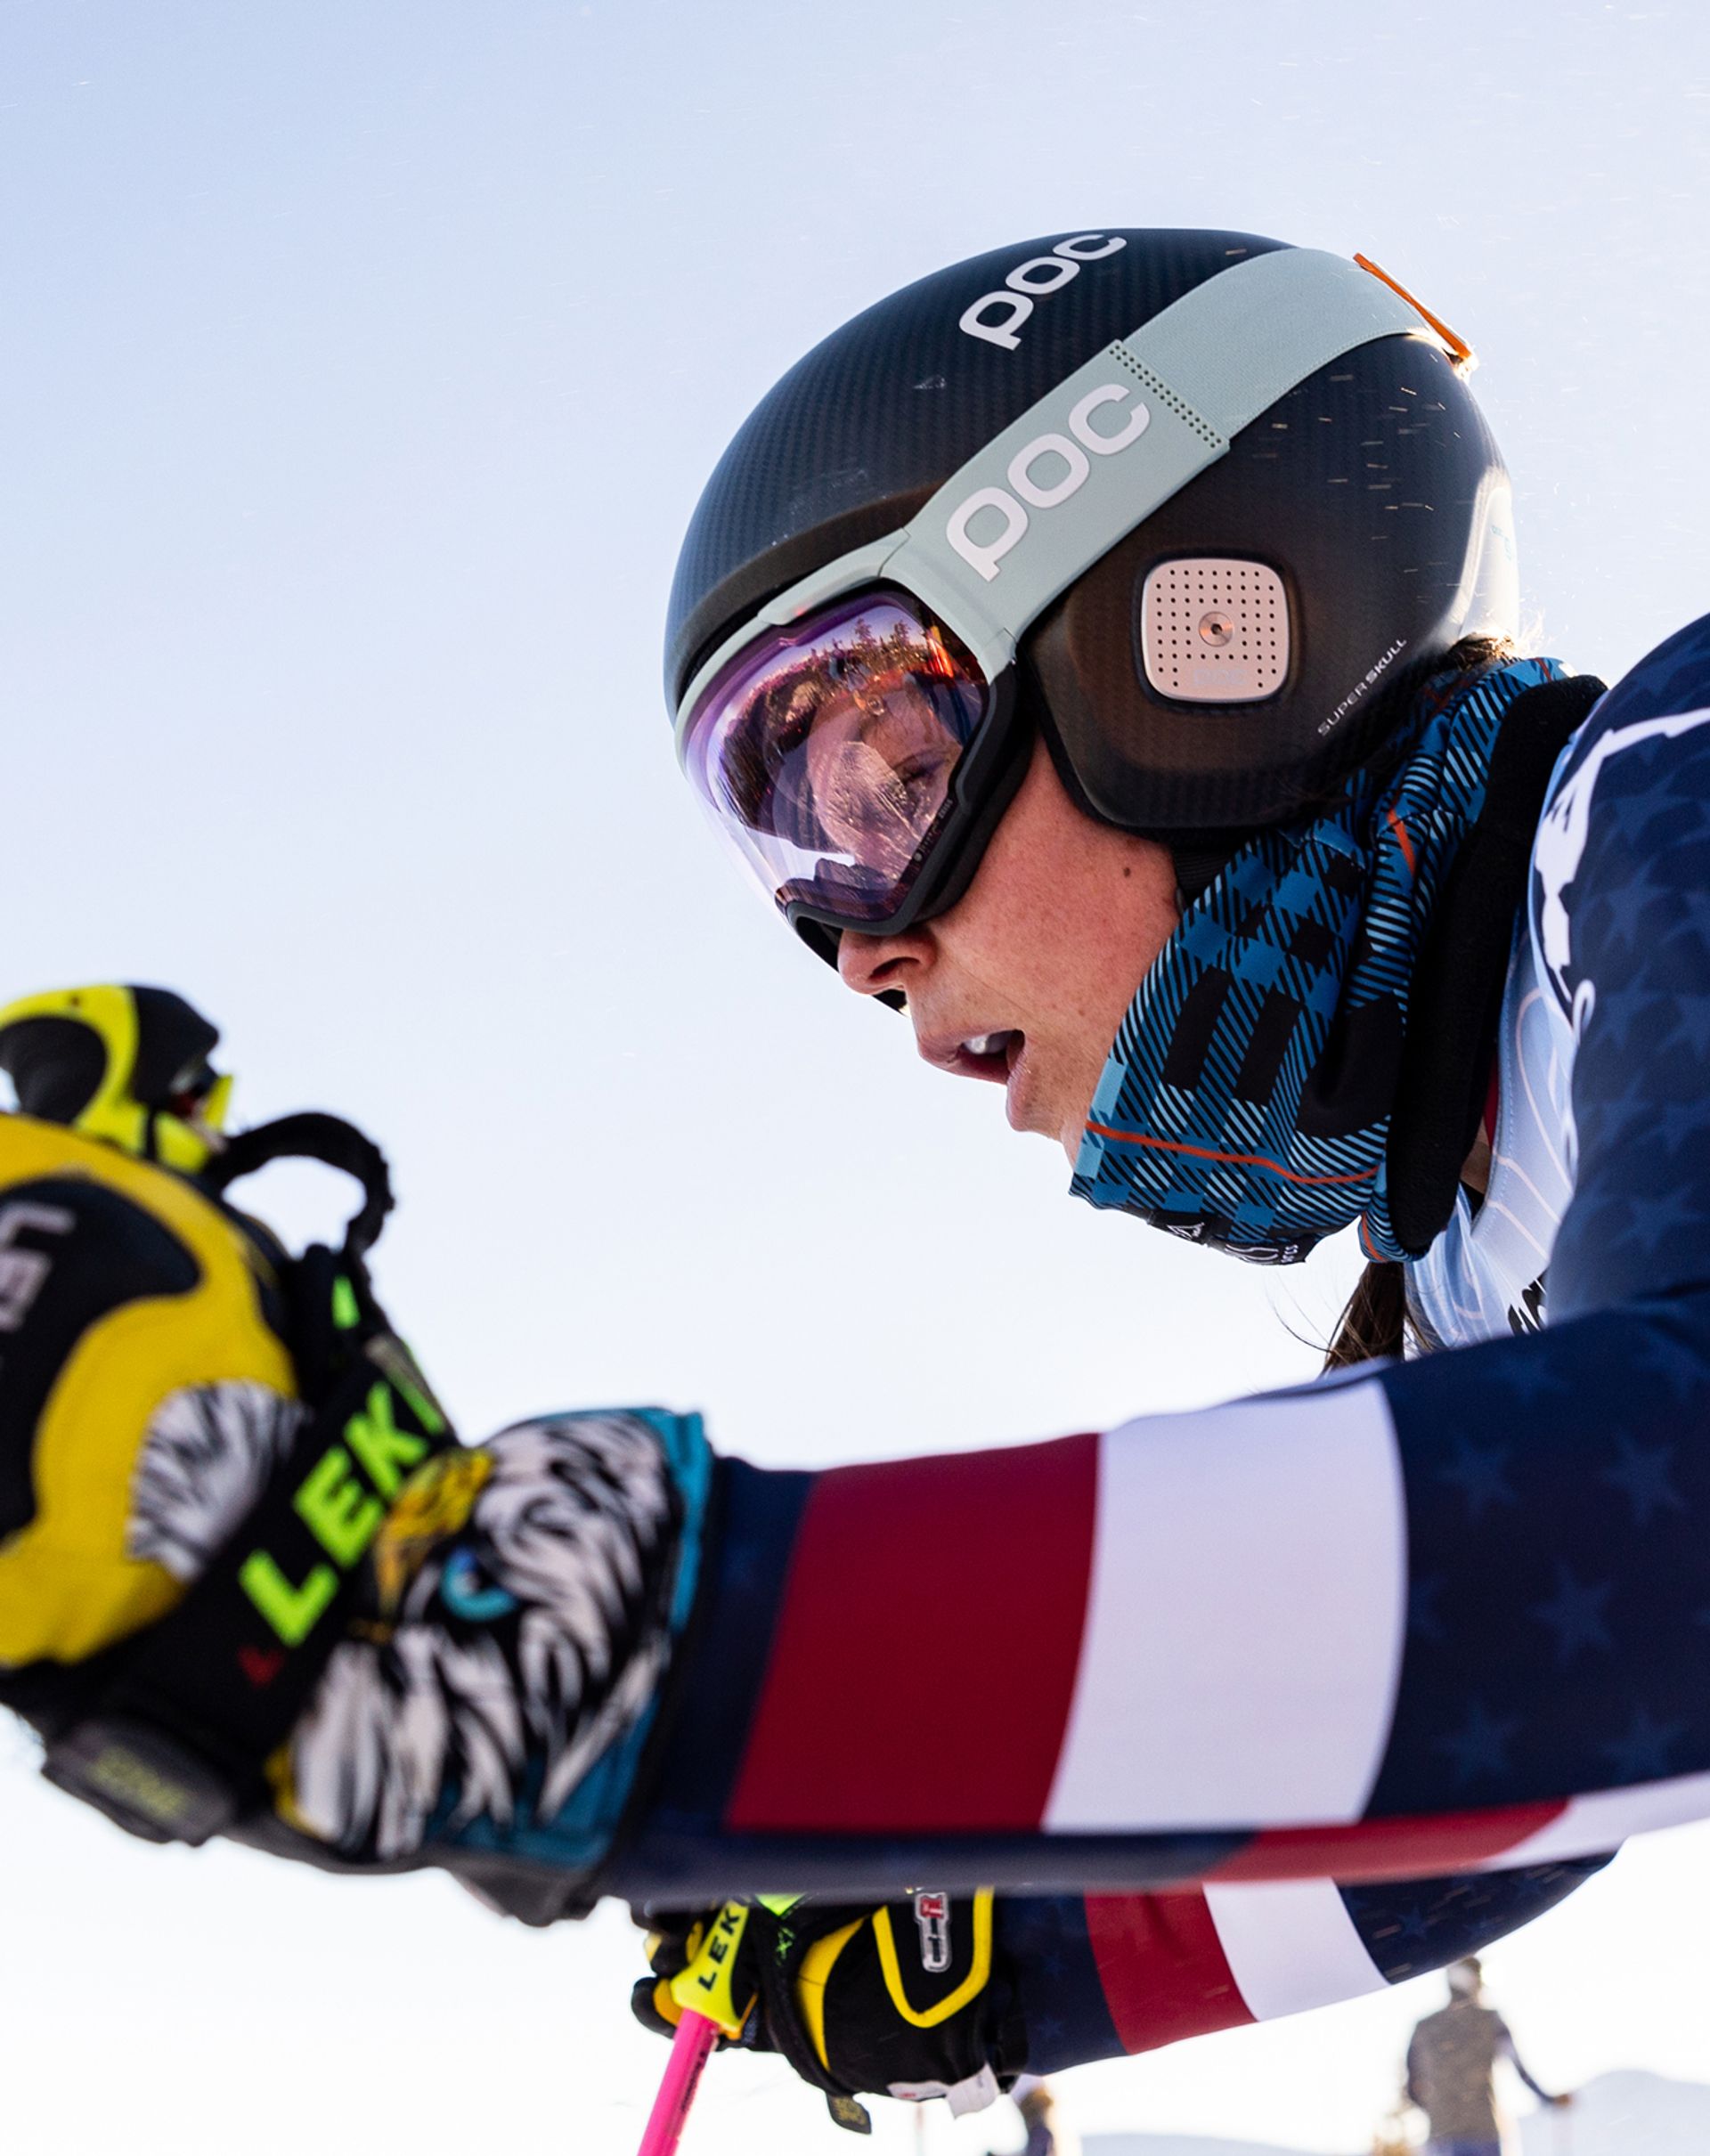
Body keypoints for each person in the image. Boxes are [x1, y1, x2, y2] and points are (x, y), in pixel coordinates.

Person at [2, 229, 1708, 2131]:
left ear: (1213, 634)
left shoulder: (1675, 771)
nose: (863, 956)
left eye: (882, 786)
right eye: (795, 869)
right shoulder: (1474, 1272)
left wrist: (604, 1655)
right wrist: (957, 1930)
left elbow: (1663, 1523)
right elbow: (1489, 1786)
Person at [1405, 1957, 1570, 2154]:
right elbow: (1520, 2070)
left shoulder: (1424, 2028)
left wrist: (1440, 2110)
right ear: (1475, 1982)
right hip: (1483, 2134)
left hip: (1441, 2138)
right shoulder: (1491, 2021)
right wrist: (1549, 2100)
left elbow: (1411, 2089)